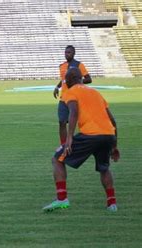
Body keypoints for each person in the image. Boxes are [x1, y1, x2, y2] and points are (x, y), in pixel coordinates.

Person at [43, 68, 120, 212]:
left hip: (90, 135)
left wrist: (70, 137)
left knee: (57, 159)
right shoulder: (96, 93)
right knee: (104, 168)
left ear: (70, 80)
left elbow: (74, 111)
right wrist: (115, 146)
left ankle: (62, 199)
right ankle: (112, 204)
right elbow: (113, 121)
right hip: (108, 135)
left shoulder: (71, 92)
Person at [53, 45, 92, 145]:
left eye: (69, 52)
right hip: (63, 99)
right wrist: (57, 87)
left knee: (78, 123)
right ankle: (63, 144)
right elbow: (64, 80)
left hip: (75, 98)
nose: (67, 54)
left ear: (74, 53)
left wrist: (77, 81)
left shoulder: (79, 65)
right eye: (65, 52)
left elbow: (88, 79)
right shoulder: (62, 66)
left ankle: (79, 143)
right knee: (62, 122)